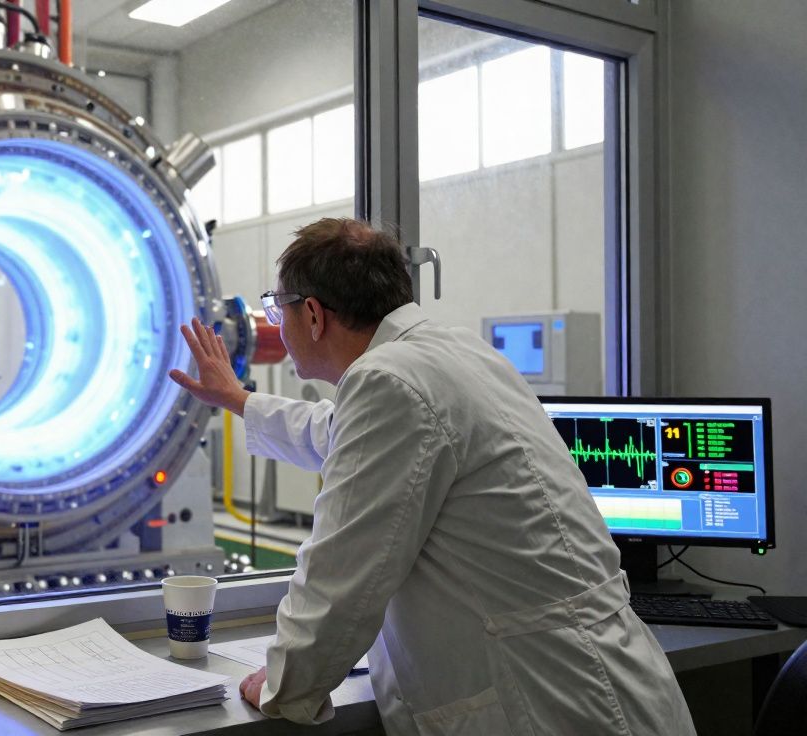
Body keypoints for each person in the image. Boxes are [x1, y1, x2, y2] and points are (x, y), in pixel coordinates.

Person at [168, 218, 695, 735]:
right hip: (595, 677)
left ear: (312, 315)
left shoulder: (388, 382)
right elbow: (333, 432)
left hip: (556, 700)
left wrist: (286, 683)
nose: (275, 325)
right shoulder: (449, 353)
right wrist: (237, 399)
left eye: (275, 308)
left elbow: (341, 571)